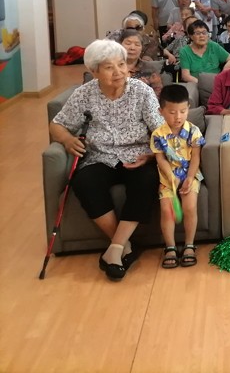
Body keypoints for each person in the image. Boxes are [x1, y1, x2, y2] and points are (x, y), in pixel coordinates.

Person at [50, 39, 162, 281]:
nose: (119, 71)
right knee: (84, 182)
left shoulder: (141, 92)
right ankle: (122, 245)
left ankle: (114, 248)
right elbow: (57, 125)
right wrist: (67, 140)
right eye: (109, 67)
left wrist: (152, 156)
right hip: (100, 156)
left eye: (121, 64)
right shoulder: (84, 94)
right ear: (94, 72)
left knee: (148, 180)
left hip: (137, 155)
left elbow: (161, 131)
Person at [151, 84, 204, 268]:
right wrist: (170, 176)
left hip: (190, 175)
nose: (178, 117)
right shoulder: (158, 134)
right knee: (167, 211)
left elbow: (196, 157)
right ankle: (170, 247)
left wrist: (189, 178)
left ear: (188, 108)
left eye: (183, 111)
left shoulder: (193, 132)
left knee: (189, 207)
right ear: (161, 111)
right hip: (168, 179)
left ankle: (189, 245)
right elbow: (160, 159)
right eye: (172, 112)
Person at [118, 29, 163, 97]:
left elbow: (158, 96)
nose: (132, 48)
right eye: (128, 43)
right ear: (119, 45)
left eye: (137, 44)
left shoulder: (150, 70)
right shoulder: (111, 68)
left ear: (142, 48)